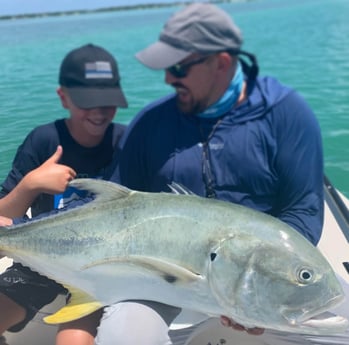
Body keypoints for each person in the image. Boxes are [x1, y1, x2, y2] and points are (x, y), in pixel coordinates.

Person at [102, 2, 323, 344]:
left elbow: (302, 209)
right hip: (163, 283)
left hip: (254, 281)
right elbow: (115, 210)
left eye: (177, 67)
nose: (167, 78)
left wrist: (259, 290)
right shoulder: (149, 124)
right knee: (124, 336)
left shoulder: (286, 115)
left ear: (221, 62)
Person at [0, 43, 128, 342]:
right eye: (87, 101)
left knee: (74, 338)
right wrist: (31, 183)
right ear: (63, 96)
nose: (98, 111)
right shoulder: (43, 140)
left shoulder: (127, 143)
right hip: (41, 260)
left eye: (107, 101)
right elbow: (4, 214)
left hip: (103, 268)